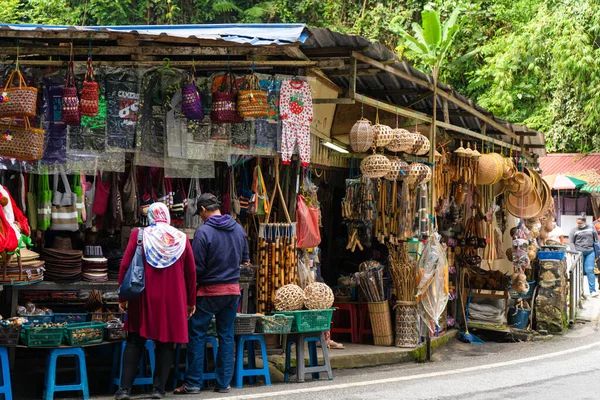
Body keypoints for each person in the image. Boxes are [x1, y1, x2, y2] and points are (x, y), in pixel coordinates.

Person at [116, 203, 197, 400]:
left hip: (143, 296)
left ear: (151, 216)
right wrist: (190, 301)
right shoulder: (181, 239)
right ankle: (158, 390)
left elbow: (125, 265)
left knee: (135, 340)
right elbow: (191, 273)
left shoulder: (140, 235)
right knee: (165, 343)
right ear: (167, 216)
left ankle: (124, 390)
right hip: (173, 299)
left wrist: (123, 297)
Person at [175, 193, 249, 395]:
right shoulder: (238, 229)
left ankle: (192, 384)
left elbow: (196, 269)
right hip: (232, 292)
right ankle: (223, 384)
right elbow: (245, 260)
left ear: (202, 210)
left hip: (208, 293)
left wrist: (188, 295)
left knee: (197, 336)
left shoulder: (203, 232)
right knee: (226, 336)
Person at [569, 213, 599, 298]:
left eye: (580, 223)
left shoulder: (591, 228)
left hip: (590, 251)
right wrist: (574, 252)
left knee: (590, 270)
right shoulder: (574, 230)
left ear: (585, 222)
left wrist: (597, 251)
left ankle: (592, 291)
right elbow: (571, 242)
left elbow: (596, 239)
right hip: (579, 253)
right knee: (579, 272)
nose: (579, 225)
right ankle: (579, 291)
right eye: (577, 223)